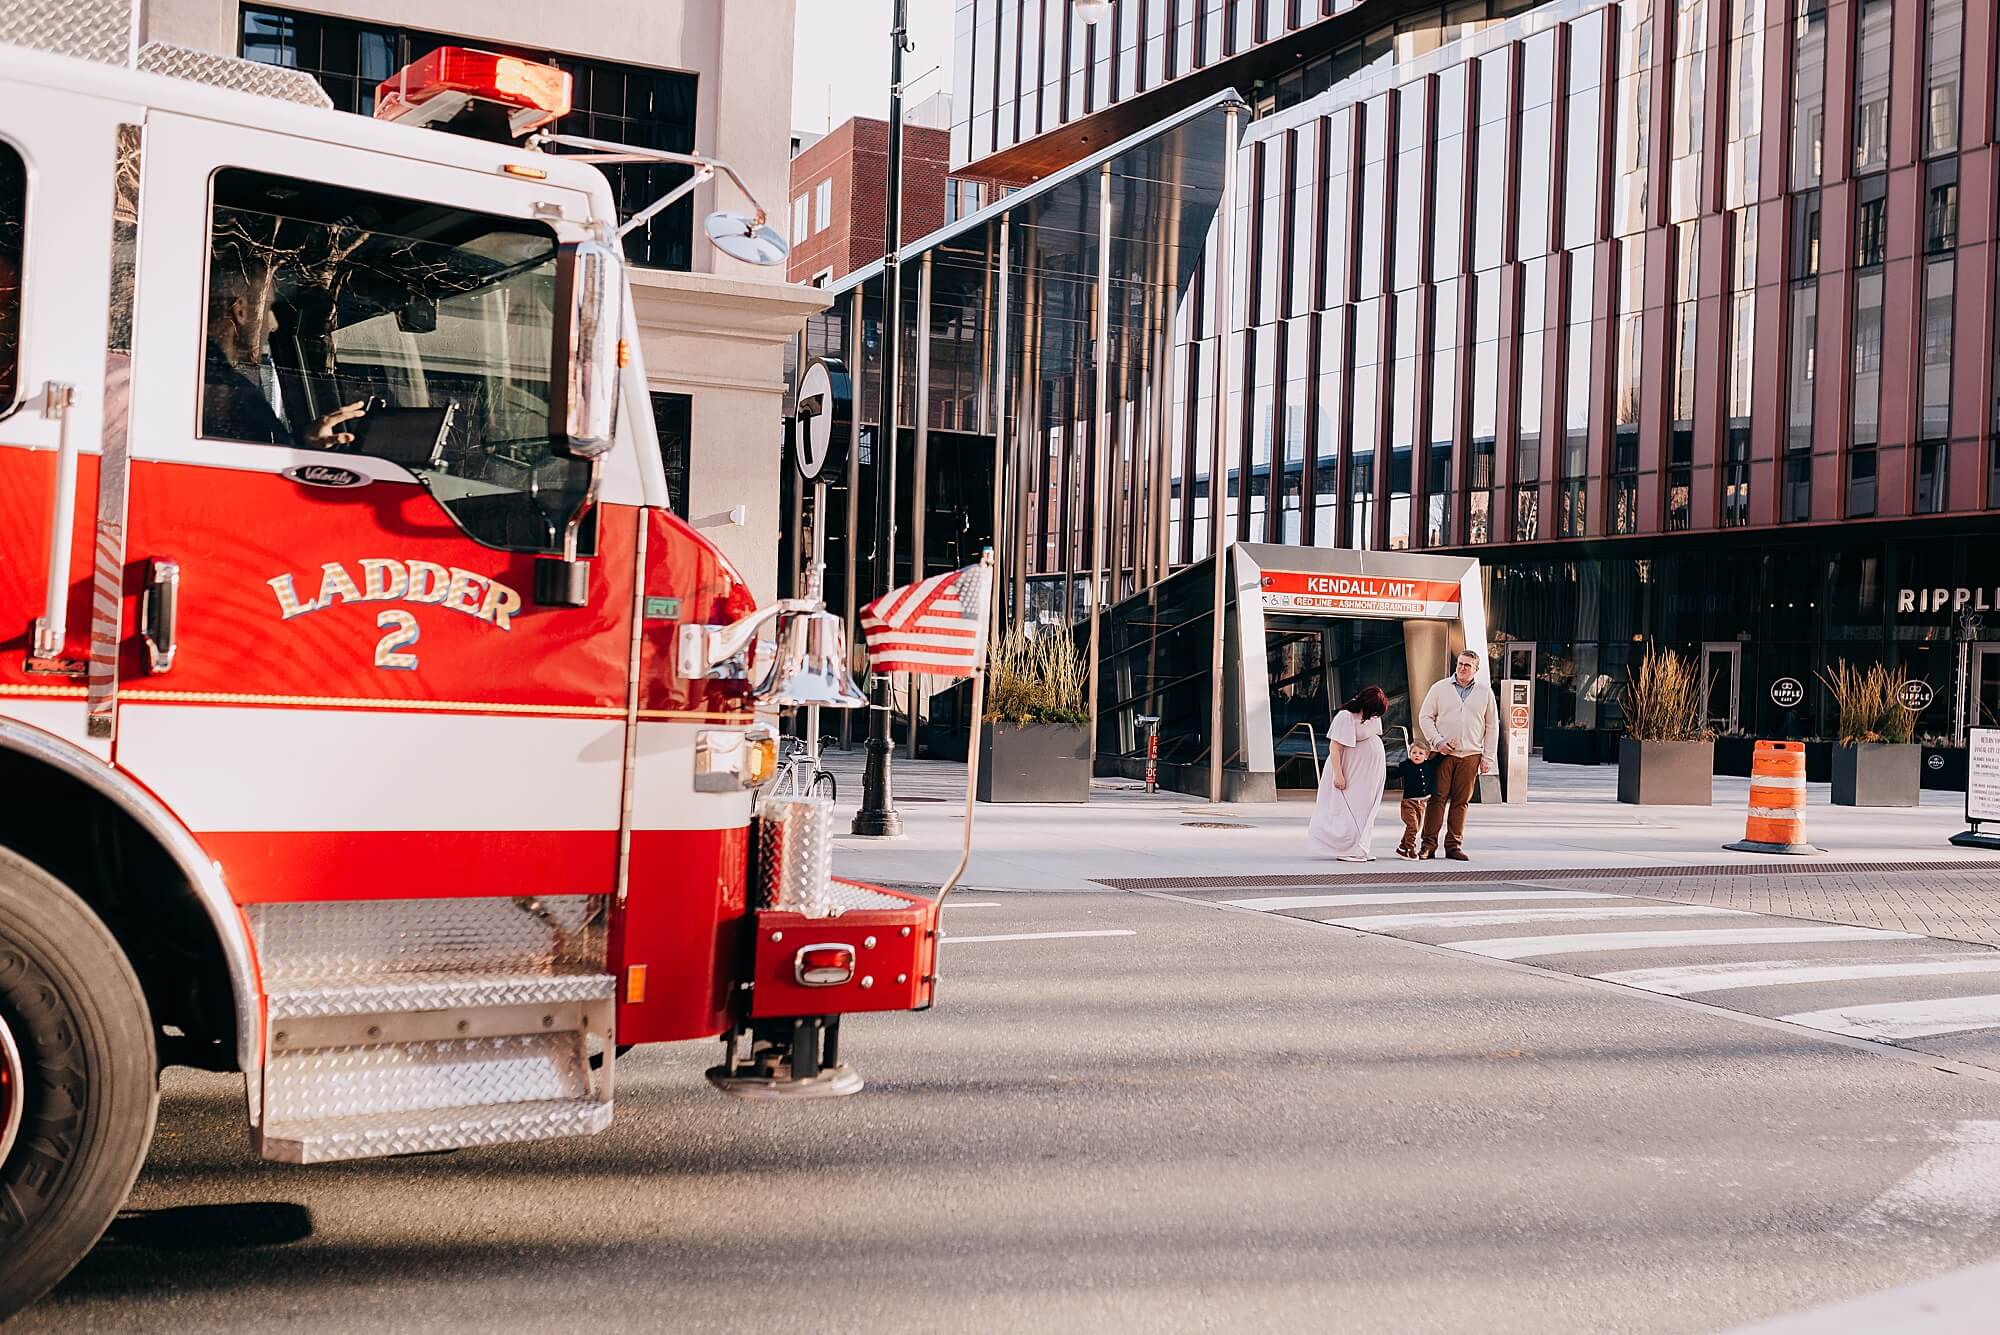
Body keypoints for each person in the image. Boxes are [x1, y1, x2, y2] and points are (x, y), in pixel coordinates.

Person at [202, 259, 366, 449]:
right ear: (240, 310)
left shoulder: (204, 376)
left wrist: (305, 442)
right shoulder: (226, 389)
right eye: (268, 308)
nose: (274, 325)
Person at [1416, 649, 1499, 861]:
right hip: (1442, 754)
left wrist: (1488, 757)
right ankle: (1428, 845)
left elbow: (1492, 727)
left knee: (1461, 802)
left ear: (1476, 669)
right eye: (1460, 663)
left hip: (1471, 755)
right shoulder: (1440, 688)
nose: (1462, 668)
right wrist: (1438, 741)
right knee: (1437, 799)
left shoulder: (1485, 692)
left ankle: (1453, 846)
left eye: (1467, 665)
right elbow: (1425, 717)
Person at [1308, 685, 1389, 863]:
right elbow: (1335, 747)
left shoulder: (1373, 716)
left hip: (1367, 773)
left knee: (1366, 809)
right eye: (1374, 712)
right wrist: (1339, 775)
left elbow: (1373, 736)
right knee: (1351, 808)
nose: (1375, 716)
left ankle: (1361, 846)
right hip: (1350, 768)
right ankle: (1348, 847)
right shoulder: (1345, 717)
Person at [1394, 739, 1439, 860]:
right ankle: (1410, 849)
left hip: (1422, 804)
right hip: (1408, 803)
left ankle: (1402, 848)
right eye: (1414, 752)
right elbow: (1393, 774)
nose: (1417, 755)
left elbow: (1439, 758)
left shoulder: (1429, 765)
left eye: (1420, 753)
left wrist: (1447, 746)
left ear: (1426, 755)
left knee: (1416, 827)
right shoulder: (1406, 766)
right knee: (1412, 826)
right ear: (1410, 754)